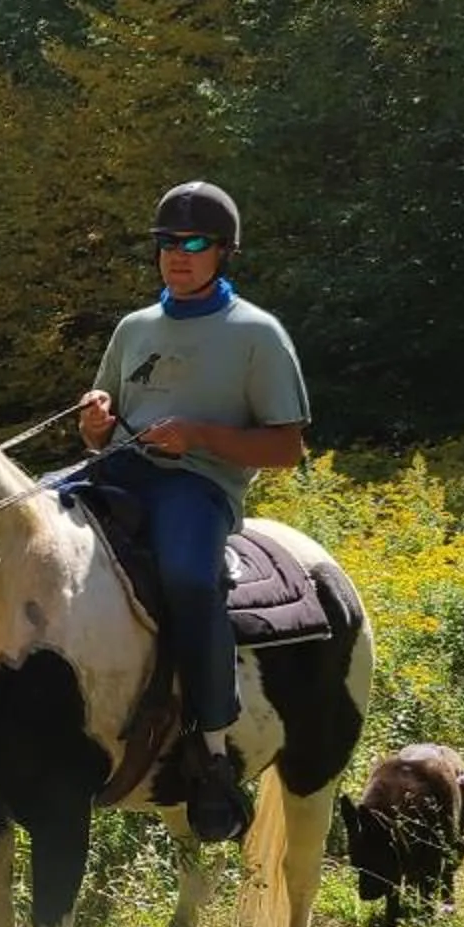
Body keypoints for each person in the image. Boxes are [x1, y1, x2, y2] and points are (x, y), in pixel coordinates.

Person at [75, 181, 311, 845]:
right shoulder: (134, 328)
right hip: (121, 470)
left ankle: (211, 753)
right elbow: (103, 428)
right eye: (168, 243)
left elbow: (288, 444)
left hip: (197, 487)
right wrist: (98, 423)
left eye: (196, 242)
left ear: (224, 251)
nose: (179, 254)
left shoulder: (257, 335)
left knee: (185, 577)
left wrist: (199, 436)